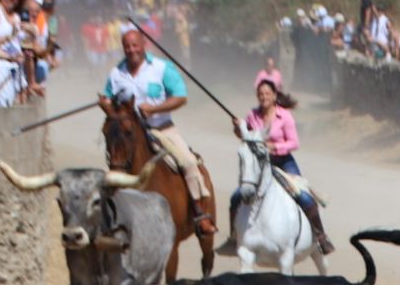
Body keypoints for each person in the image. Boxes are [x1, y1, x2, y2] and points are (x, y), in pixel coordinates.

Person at [98, 28, 215, 234]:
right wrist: (106, 104)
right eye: (127, 46)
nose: (131, 50)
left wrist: (154, 109)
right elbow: (108, 98)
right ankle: (111, 218)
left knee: (188, 162)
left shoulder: (161, 68)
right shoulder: (117, 74)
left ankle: (199, 213)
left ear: (144, 45)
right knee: (115, 168)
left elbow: (180, 96)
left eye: (135, 45)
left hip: (162, 129)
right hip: (129, 135)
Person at [231, 79, 335, 254]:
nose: (263, 97)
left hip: (283, 161)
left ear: (274, 96)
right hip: (260, 164)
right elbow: (245, 136)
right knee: (237, 196)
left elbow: (294, 143)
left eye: (267, 94)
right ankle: (234, 237)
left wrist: (274, 147)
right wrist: (237, 128)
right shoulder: (252, 115)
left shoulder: (284, 116)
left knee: (303, 196)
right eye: (260, 94)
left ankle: (320, 236)